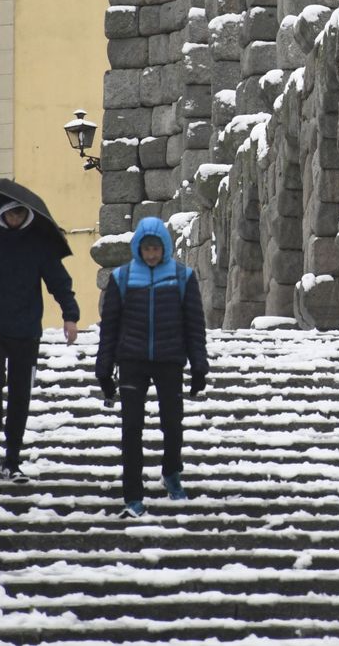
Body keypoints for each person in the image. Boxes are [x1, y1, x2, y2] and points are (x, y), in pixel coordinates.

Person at [0, 201, 78, 483]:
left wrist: (70, 316)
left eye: (20, 213)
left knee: (21, 392)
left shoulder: (39, 242)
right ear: (2, 211)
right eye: (11, 212)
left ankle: (13, 459)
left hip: (26, 327)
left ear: (27, 214)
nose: (15, 217)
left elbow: (58, 281)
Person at [95, 216, 207, 517]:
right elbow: (110, 326)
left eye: (156, 248)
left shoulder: (183, 277)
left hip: (169, 360)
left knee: (172, 424)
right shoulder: (122, 277)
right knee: (131, 428)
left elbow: (195, 325)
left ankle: (171, 472)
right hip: (132, 361)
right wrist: (104, 368)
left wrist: (199, 366)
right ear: (138, 249)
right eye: (146, 248)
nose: (151, 254)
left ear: (165, 248)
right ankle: (132, 495)